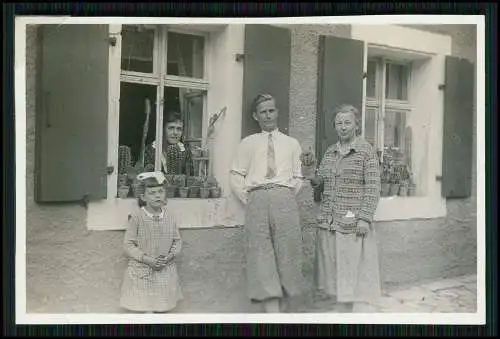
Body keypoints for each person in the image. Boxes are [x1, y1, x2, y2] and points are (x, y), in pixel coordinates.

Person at [229, 93, 305, 313]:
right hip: (257, 198)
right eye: (263, 111)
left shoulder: (292, 143)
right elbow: (236, 175)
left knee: (289, 250)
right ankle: (272, 310)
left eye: (271, 110)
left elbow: (299, 177)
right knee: (261, 254)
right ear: (255, 116)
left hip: (284, 198)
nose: (268, 115)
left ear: (277, 112)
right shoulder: (248, 143)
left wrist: (285, 194)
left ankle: (291, 306)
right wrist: (250, 198)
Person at [310, 104, 382, 313]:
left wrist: (364, 218)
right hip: (330, 221)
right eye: (339, 123)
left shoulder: (365, 151)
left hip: (352, 221)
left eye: (347, 122)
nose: (343, 127)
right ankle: (342, 308)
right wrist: (309, 172)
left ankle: (346, 311)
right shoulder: (331, 152)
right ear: (334, 126)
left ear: (356, 124)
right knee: (335, 269)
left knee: (350, 270)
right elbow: (320, 182)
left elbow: (373, 187)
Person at [120, 171, 183, 313]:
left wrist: (169, 256)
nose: (157, 195)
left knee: (161, 310)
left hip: (164, 270)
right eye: (152, 193)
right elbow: (128, 245)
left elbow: (177, 241)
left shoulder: (170, 216)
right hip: (142, 273)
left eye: (160, 191)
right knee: (144, 311)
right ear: (143, 197)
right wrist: (146, 259)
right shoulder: (137, 217)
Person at [144, 111, 195, 176]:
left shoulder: (185, 150)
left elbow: (190, 177)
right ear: (163, 129)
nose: (175, 132)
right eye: (171, 128)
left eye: (179, 129)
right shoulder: (150, 150)